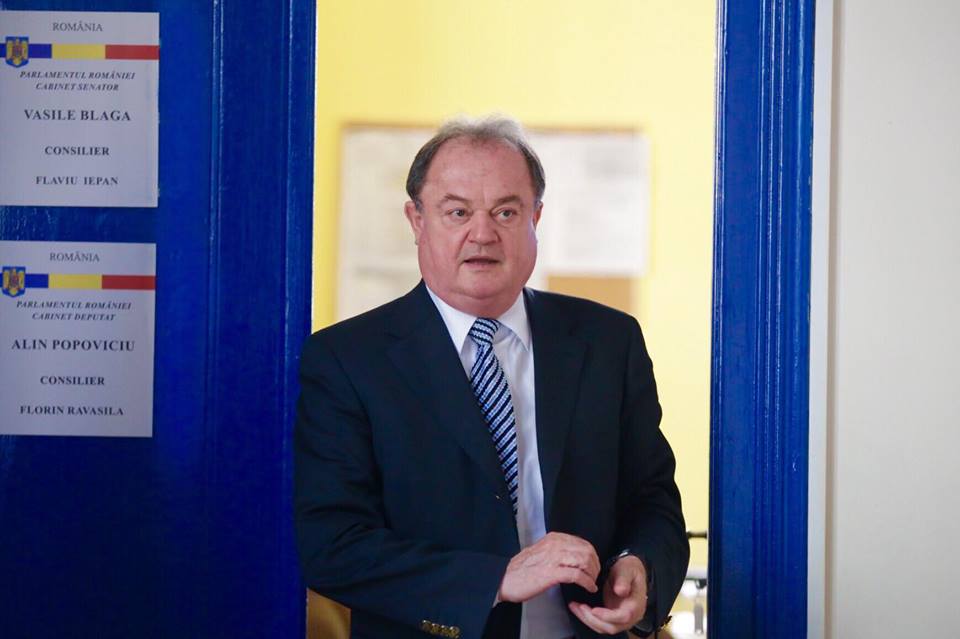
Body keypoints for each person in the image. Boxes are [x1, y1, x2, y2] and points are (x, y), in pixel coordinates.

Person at [294, 116, 689, 639]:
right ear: (416, 220)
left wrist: (641, 567)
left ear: (536, 218)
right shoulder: (347, 359)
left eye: (506, 212)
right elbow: (333, 546)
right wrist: (495, 580)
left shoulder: (609, 342)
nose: (482, 234)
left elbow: (653, 500)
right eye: (457, 212)